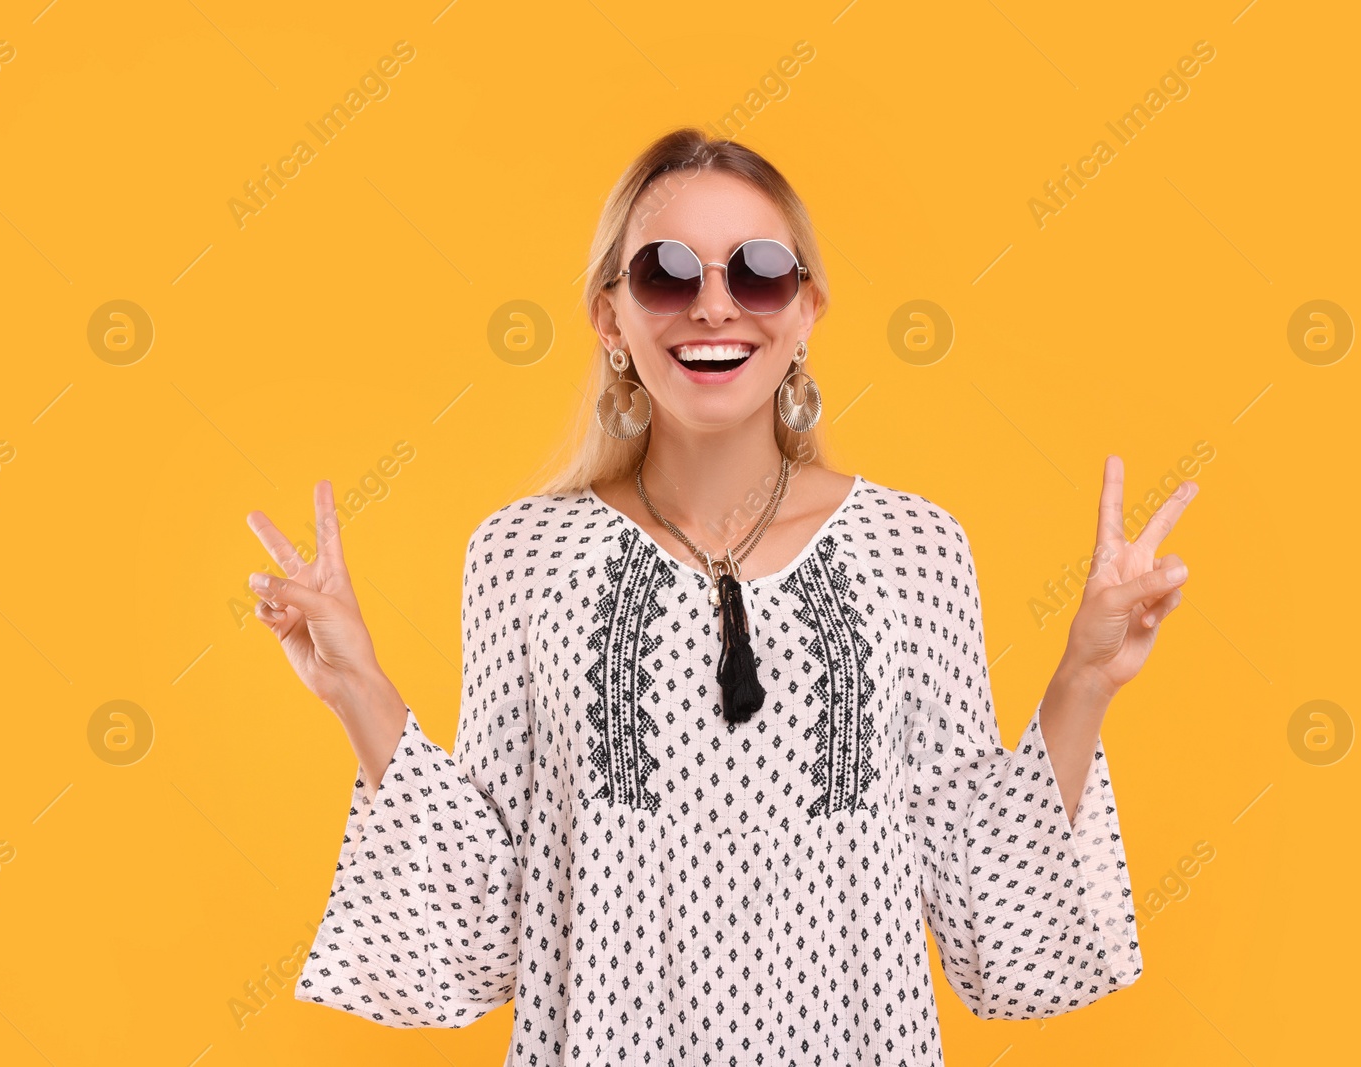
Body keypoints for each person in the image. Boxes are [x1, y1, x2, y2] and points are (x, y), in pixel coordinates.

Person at [244, 128, 1198, 1064]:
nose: (713, 306)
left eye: (759, 270)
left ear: (808, 307)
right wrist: (356, 686)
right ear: (609, 316)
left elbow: (994, 943)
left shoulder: (915, 550)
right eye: (665, 271)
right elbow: (486, 935)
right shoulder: (521, 556)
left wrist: (1085, 678)